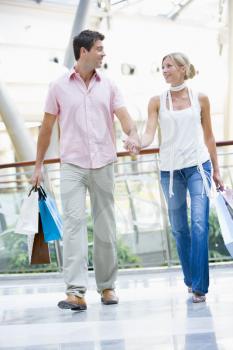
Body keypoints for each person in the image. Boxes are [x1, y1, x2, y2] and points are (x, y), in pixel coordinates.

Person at [31, 29, 140, 310]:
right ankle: (76, 292)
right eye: (100, 48)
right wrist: (39, 165)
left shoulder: (110, 85)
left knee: (105, 228)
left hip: (104, 163)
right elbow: (46, 128)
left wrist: (132, 135)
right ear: (84, 52)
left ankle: (107, 288)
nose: (104, 53)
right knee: (74, 227)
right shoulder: (58, 86)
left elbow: (126, 119)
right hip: (72, 166)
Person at [137, 52, 223, 303]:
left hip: (198, 167)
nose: (164, 71)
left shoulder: (201, 98)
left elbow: (209, 136)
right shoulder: (156, 101)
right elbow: (149, 134)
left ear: (183, 69)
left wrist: (216, 170)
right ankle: (190, 278)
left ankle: (199, 287)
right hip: (170, 172)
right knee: (179, 229)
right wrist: (137, 144)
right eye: (162, 67)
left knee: (199, 223)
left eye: (169, 66)